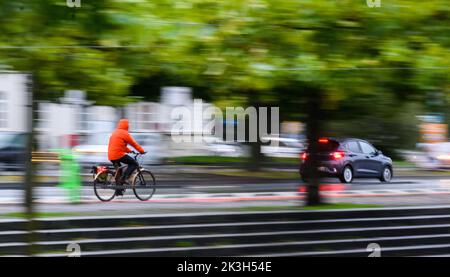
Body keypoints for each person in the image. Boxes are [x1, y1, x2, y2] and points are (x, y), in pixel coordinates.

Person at [108, 119, 145, 195]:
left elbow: (120, 146)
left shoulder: (115, 132)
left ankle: (118, 191)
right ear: (127, 126)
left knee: (119, 171)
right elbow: (134, 144)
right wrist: (141, 151)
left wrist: (129, 151)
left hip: (111, 155)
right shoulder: (125, 133)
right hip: (118, 155)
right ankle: (125, 178)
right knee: (134, 164)